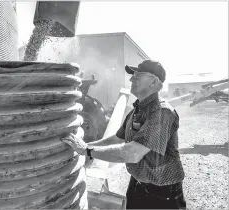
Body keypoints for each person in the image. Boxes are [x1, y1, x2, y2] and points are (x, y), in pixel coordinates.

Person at [61, 60, 186, 209]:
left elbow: (132, 153)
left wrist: (87, 151)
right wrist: (86, 146)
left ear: (153, 82)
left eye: (138, 76)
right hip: (137, 185)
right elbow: (116, 139)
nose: (132, 79)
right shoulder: (136, 111)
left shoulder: (162, 112)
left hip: (162, 194)